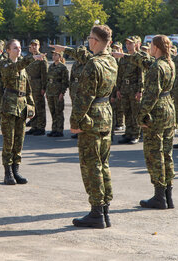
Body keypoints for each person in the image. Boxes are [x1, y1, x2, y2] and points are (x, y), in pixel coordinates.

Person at [52, 24, 117, 229]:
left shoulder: (94, 64)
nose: (88, 41)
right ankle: (104, 209)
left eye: (90, 38)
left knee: (91, 166)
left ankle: (97, 212)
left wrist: (75, 122)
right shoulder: (111, 61)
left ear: (95, 41)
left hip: (91, 118)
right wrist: (66, 50)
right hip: (105, 114)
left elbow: (84, 97)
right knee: (103, 163)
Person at [134, 35, 176, 210]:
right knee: (167, 153)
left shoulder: (157, 67)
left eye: (151, 45)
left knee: (154, 154)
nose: (149, 48)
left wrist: (141, 115)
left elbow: (151, 95)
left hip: (157, 112)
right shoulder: (169, 64)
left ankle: (159, 197)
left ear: (156, 47)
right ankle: (167, 196)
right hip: (169, 109)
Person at [0, 39, 44, 185]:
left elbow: (27, 87)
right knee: (9, 141)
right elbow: (16, 67)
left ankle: (16, 170)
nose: (18, 50)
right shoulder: (5, 64)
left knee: (19, 140)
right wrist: (31, 58)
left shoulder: (23, 67)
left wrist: (30, 105)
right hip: (9, 107)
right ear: (7, 50)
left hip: (22, 105)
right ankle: (8, 173)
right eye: (14, 48)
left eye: (19, 48)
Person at [117, 36, 144, 145]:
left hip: (134, 89)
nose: (128, 45)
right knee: (127, 112)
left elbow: (141, 75)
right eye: (127, 43)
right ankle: (128, 134)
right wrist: (118, 89)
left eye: (131, 43)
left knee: (135, 112)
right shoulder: (124, 58)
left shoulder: (139, 58)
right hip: (125, 88)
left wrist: (140, 90)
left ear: (137, 44)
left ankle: (135, 134)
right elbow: (120, 75)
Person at [64, 45, 93, 139]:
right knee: (76, 109)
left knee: (84, 110)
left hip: (83, 89)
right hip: (74, 89)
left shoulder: (88, 63)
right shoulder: (75, 64)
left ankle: (85, 130)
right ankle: (78, 129)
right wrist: (71, 89)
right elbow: (72, 77)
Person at [25, 39, 48, 136]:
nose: (34, 47)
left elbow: (45, 74)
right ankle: (34, 126)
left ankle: (41, 127)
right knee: (31, 107)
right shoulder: (29, 57)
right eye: (32, 45)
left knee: (40, 107)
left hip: (38, 84)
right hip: (29, 85)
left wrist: (44, 87)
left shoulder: (42, 58)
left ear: (39, 46)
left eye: (36, 45)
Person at [46, 50, 69, 137]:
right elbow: (48, 80)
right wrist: (47, 92)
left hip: (58, 92)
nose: (54, 56)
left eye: (56, 55)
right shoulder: (51, 66)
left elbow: (65, 82)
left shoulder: (63, 67)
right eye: (53, 55)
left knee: (59, 111)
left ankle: (59, 130)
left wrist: (62, 93)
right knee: (53, 111)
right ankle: (54, 129)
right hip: (50, 92)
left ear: (60, 56)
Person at [110, 42, 124, 132]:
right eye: (114, 48)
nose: (115, 50)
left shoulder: (122, 61)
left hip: (121, 86)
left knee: (120, 107)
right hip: (113, 86)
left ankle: (120, 123)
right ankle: (114, 123)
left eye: (117, 48)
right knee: (113, 106)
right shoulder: (111, 60)